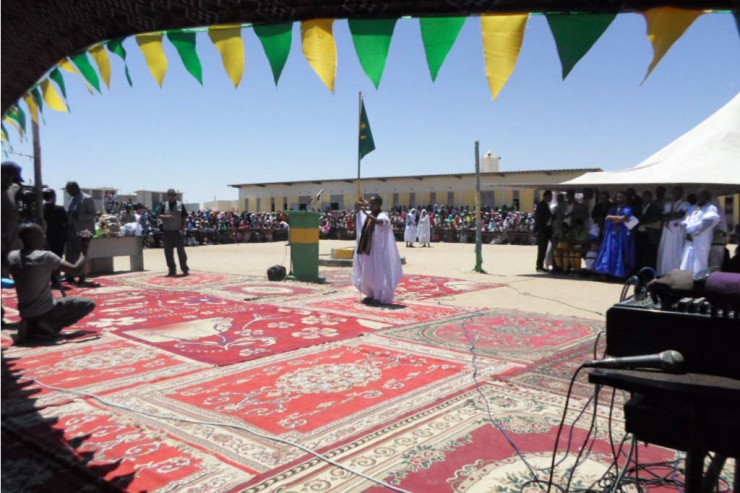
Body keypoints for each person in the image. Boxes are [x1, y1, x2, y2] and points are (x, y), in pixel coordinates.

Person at [8, 223, 96, 343]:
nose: (44, 237)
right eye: (41, 235)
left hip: (25, 312)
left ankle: (32, 324)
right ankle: (47, 326)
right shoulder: (45, 256)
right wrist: (85, 246)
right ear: (34, 238)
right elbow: (76, 270)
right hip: (45, 309)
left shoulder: (12, 256)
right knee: (87, 304)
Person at [351, 195, 403, 305]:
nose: (370, 205)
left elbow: (380, 222)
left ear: (378, 205)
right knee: (367, 273)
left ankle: (378, 296)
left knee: (377, 274)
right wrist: (358, 209)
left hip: (377, 251)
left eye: (372, 203)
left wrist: (366, 214)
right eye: (369, 203)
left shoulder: (382, 215)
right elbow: (357, 218)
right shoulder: (369, 215)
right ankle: (371, 294)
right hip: (367, 249)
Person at [593, 191, 637, 279]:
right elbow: (609, 221)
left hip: (622, 235)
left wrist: (611, 217)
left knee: (620, 254)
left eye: (620, 197)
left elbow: (624, 218)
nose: (618, 199)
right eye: (617, 197)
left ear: (625, 198)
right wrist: (617, 220)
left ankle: (619, 275)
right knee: (608, 253)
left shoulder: (628, 208)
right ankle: (606, 273)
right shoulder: (612, 208)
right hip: (611, 234)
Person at [679, 189, 720, 274]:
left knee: (699, 262)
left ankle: (699, 281)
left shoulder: (710, 207)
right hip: (689, 238)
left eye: (701, 195)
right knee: (686, 260)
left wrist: (695, 233)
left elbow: (708, 222)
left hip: (701, 238)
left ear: (707, 197)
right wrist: (687, 230)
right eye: (698, 195)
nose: (699, 197)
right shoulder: (693, 207)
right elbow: (686, 220)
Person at [64, 181, 97, 285]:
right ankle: (69, 275)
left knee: (81, 254)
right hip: (71, 230)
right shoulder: (72, 199)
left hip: (83, 231)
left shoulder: (87, 199)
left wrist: (79, 217)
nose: (68, 193)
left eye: (69, 190)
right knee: (69, 253)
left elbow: (93, 215)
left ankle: (82, 276)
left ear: (75, 188)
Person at [656, 186, 690, 276]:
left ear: (681, 193)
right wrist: (675, 215)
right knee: (665, 251)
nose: (675, 194)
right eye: (673, 192)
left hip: (677, 232)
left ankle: (675, 273)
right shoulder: (668, 204)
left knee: (676, 251)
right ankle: (664, 273)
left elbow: (682, 215)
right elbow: (662, 217)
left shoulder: (685, 204)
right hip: (667, 232)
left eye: (677, 192)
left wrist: (669, 216)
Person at [157, 188, 190, 277]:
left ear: (175, 195)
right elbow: (159, 215)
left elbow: (184, 217)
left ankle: (185, 269)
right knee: (168, 252)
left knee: (181, 252)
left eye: (173, 195)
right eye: (170, 195)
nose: (172, 196)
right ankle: (172, 270)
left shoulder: (180, 205)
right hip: (167, 231)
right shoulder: (164, 205)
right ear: (167, 196)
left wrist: (183, 228)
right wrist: (166, 216)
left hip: (178, 231)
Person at [42, 189, 68, 288]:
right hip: (58, 238)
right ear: (53, 197)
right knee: (57, 259)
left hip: (45, 238)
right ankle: (55, 279)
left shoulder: (40, 209)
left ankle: (48, 279)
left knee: (45, 259)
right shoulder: (59, 209)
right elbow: (66, 221)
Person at [533, 190, 553, 272]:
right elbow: (539, 219)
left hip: (546, 230)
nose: (551, 198)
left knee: (544, 249)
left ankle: (540, 265)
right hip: (542, 230)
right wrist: (541, 228)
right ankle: (539, 266)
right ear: (546, 196)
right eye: (550, 196)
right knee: (541, 249)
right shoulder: (541, 205)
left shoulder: (545, 205)